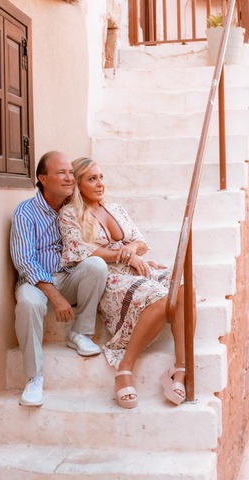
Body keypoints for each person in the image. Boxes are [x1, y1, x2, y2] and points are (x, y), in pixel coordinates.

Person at [58, 157, 188, 409]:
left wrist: (131, 250)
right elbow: (81, 251)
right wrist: (126, 254)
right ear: (78, 185)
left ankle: (179, 369)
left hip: (135, 267)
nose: (100, 184)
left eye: (101, 177)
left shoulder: (115, 209)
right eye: (92, 179)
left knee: (184, 288)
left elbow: (141, 241)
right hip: (107, 276)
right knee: (161, 298)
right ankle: (124, 369)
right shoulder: (69, 214)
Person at [10, 151, 106, 407]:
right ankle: (34, 378)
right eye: (61, 173)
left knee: (96, 265)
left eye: (71, 173)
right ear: (42, 178)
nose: (69, 178)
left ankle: (80, 333)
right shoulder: (25, 212)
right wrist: (55, 295)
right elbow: (24, 262)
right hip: (34, 283)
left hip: (67, 277)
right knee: (29, 304)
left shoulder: (72, 209)